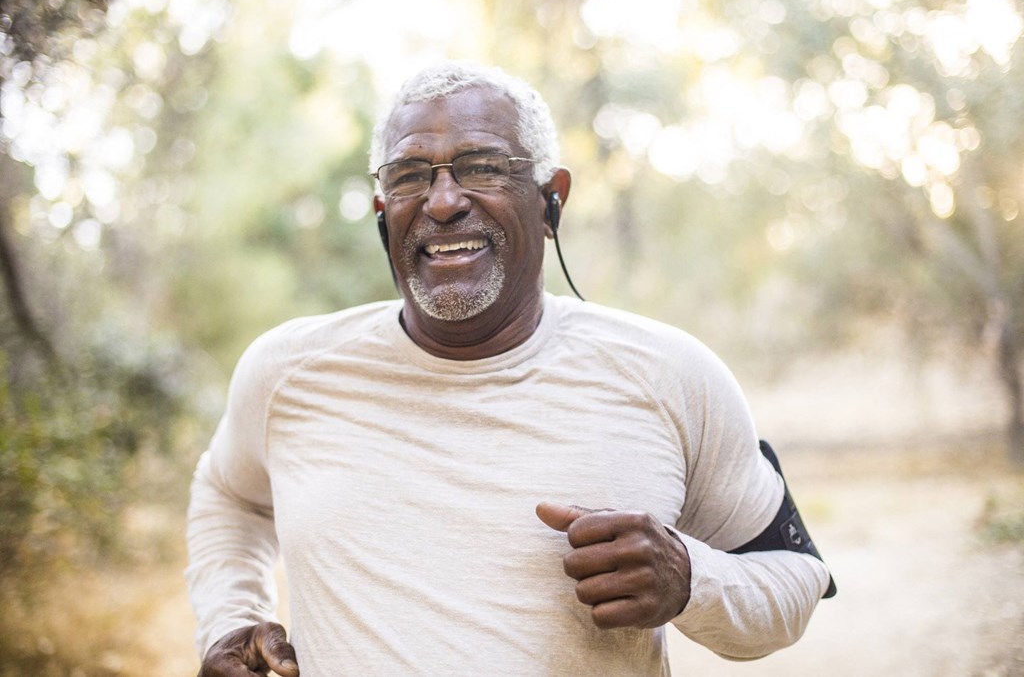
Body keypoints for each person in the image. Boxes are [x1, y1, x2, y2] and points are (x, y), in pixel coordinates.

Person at [186, 60, 834, 677]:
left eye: (483, 167)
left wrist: (692, 579)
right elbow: (229, 494)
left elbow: (794, 581)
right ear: (384, 215)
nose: (442, 202)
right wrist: (230, 618)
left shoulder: (669, 375)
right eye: (409, 175)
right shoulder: (288, 373)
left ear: (551, 199)